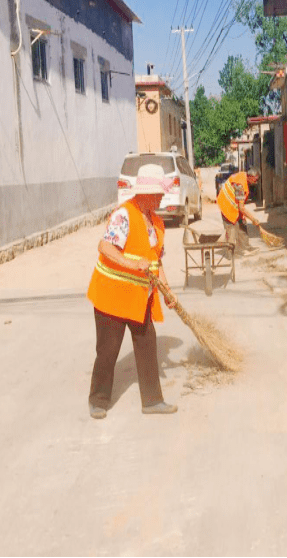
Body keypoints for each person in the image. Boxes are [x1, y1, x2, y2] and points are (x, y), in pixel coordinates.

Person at [87, 164, 178, 419]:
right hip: (112, 297)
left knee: (148, 344)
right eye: (159, 193)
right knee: (107, 350)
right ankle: (98, 400)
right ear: (146, 193)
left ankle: (152, 400)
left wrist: (167, 291)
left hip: (139, 298)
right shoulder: (124, 214)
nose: (162, 198)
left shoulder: (156, 222)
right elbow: (105, 247)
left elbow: (155, 261)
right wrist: (132, 264)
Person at [216, 167, 260, 255]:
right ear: (250, 177)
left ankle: (245, 247)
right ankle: (230, 252)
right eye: (255, 180)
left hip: (232, 202)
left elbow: (240, 205)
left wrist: (243, 217)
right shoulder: (240, 186)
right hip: (226, 205)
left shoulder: (244, 176)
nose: (256, 182)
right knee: (232, 227)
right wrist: (253, 219)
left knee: (242, 223)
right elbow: (241, 207)